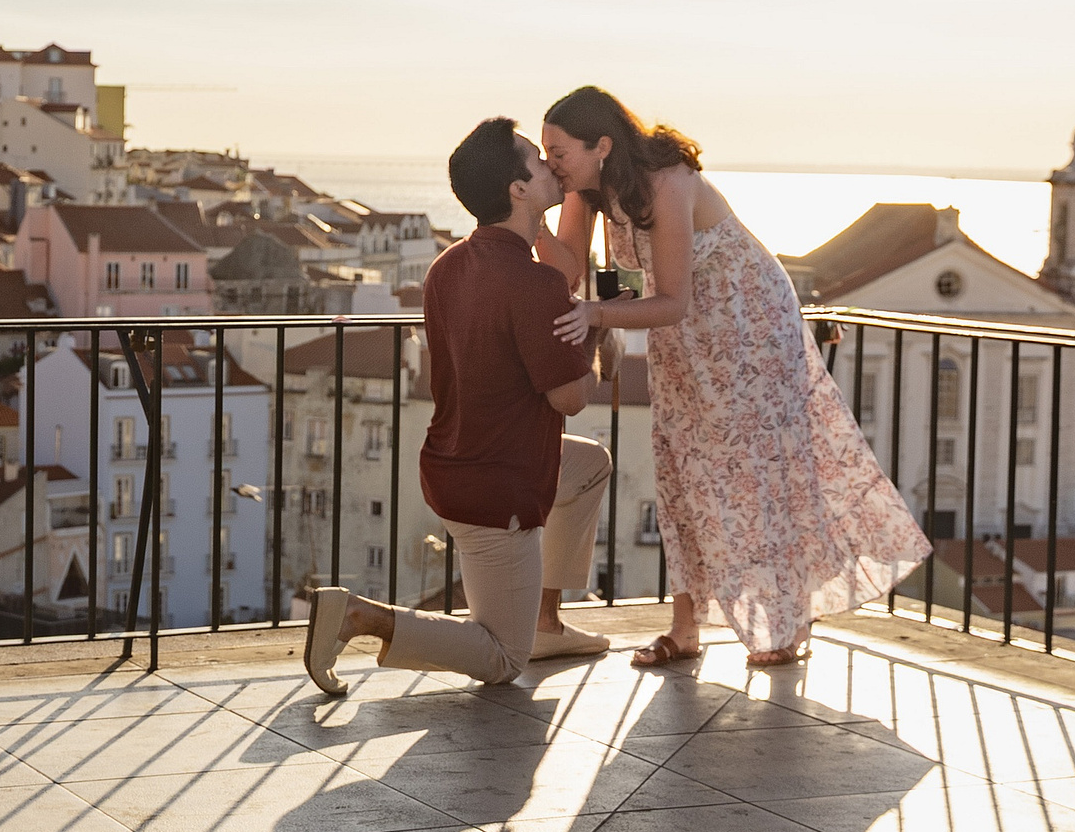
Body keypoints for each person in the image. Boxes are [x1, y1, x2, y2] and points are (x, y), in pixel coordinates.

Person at [536, 84, 929, 670]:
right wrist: (532, 218)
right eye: (545, 153)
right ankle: (684, 630)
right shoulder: (584, 189)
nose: (551, 163)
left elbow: (672, 299)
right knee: (680, 468)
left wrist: (597, 314)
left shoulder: (668, 182)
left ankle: (786, 622)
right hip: (684, 334)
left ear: (602, 146)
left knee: (757, 472)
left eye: (558, 152)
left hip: (748, 327)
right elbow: (567, 270)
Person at [302, 118, 613, 694]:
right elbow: (571, 398)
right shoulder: (533, 284)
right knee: (503, 658)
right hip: (498, 488)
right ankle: (360, 616)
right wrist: (593, 332)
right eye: (537, 159)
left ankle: (545, 621)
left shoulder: (446, 266)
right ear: (518, 189)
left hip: (452, 464)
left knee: (590, 464)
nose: (550, 164)